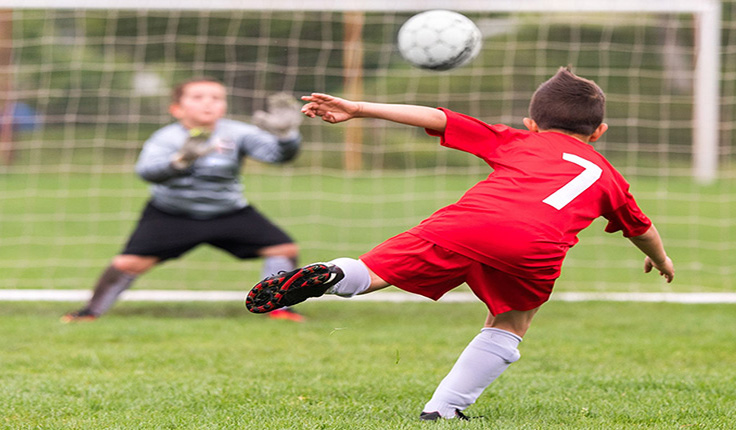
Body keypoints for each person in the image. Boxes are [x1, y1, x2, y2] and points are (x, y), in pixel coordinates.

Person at [245, 67, 675, 420]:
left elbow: (438, 117)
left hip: (466, 224)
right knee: (509, 323)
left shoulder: (518, 139)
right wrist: (661, 260)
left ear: (532, 123)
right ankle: (443, 409)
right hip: (535, 247)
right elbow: (642, 229)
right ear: (599, 131)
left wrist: (358, 108)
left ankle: (335, 275)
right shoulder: (609, 178)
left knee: (375, 273)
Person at [62, 77, 308, 323]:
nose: (208, 104)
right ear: (177, 108)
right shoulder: (166, 138)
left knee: (284, 249)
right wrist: (179, 162)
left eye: (216, 98)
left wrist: (287, 136)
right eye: (198, 98)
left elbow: (278, 156)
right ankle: (89, 312)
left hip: (229, 211)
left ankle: (279, 308)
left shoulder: (238, 132)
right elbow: (146, 172)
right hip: (172, 213)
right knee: (128, 263)